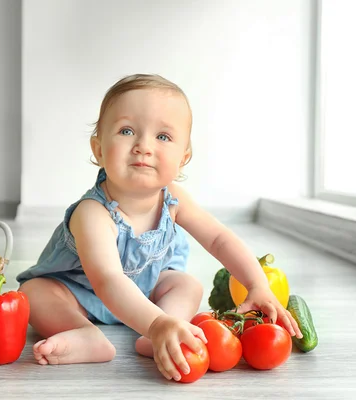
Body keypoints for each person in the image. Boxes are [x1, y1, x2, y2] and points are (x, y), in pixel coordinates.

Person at [16, 73, 302, 381]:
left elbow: (219, 239)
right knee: (33, 294)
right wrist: (153, 321)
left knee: (186, 284)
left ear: (183, 159)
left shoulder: (173, 200)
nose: (143, 146)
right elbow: (108, 281)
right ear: (98, 150)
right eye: (127, 131)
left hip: (145, 290)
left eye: (162, 137)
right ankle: (85, 334)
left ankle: (166, 328)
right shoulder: (92, 213)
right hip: (77, 292)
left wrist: (257, 285)